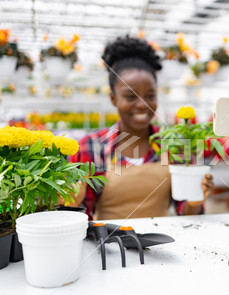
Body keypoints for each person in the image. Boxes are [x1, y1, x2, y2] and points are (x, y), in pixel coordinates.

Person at [69, 36, 213, 220]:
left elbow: (187, 215)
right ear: (113, 98)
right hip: (108, 246)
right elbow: (80, 218)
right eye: (130, 97)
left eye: (150, 96)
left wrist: (195, 199)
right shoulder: (90, 148)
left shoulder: (174, 144)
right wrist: (72, 204)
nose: (142, 105)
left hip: (160, 246)